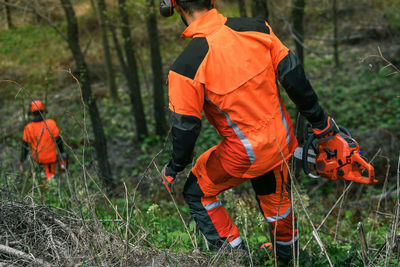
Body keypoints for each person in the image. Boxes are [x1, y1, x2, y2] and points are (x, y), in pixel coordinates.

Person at [160, 0, 339, 264]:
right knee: (277, 204)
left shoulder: (185, 67)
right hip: (281, 141)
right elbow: (294, 77)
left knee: (197, 193)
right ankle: (289, 259)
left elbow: (186, 129)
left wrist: (174, 167)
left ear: (172, 6)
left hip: (242, 154)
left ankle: (235, 257)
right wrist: (321, 124)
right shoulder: (257, 28)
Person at [20, 100, 67, 181]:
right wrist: (62, 153)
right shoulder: (50, 123)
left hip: (39, 161)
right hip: (51, 160)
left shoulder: (28, 128)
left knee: (42, 180)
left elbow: (25, 147)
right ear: (43, 110)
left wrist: (21, 161)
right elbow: (58, 140)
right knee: (51, 181)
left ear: (31, 113)